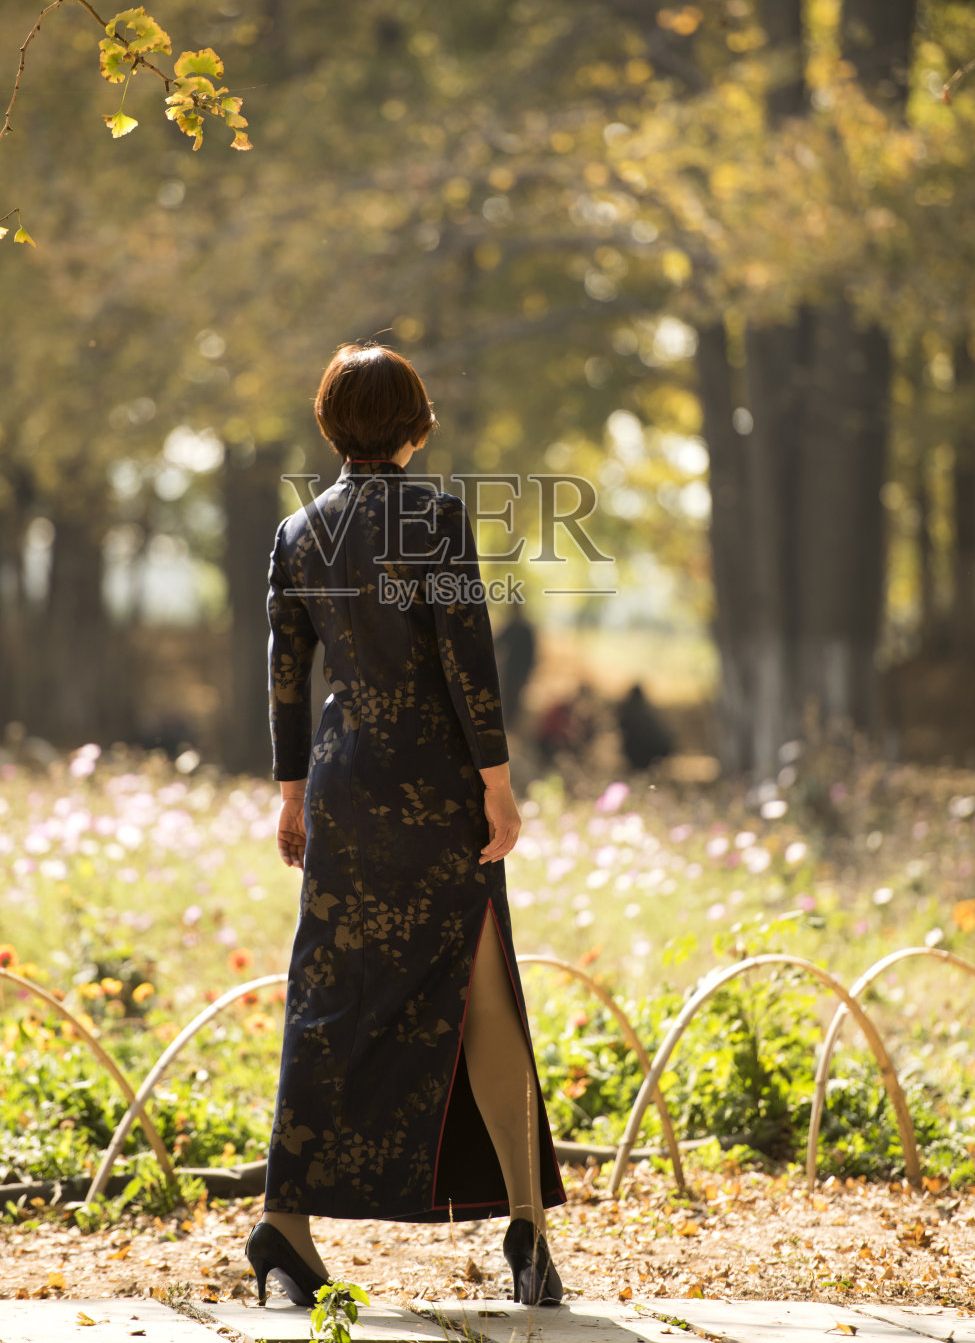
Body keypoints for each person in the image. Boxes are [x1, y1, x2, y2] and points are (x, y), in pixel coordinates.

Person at [247, 342, 566, 1311]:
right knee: (481, 992)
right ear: (418, 423)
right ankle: (527, 1231)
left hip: (345, 783)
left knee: (328, 998)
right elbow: (466, 659)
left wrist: (293, 792)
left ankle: (284, 1227)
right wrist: (499, 788)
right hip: (433, 786)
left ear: (328, 424)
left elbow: (285, 670)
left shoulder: (297, 530)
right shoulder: (434, 517)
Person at [493, 601, 537, 732]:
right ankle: (507, 726)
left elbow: (532, 653)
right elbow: (497, 642)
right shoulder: (511, 627)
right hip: (511, 670)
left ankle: (510, 726)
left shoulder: (525, 629)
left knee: (515, 697)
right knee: (508, 697)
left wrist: (528, 672)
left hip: (520, 670)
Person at [615, 681, 674, 772]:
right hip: (658, 748)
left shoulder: (628, 711)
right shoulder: (647, 710)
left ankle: (639, 766)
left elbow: (624, 731)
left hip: (646, 748)